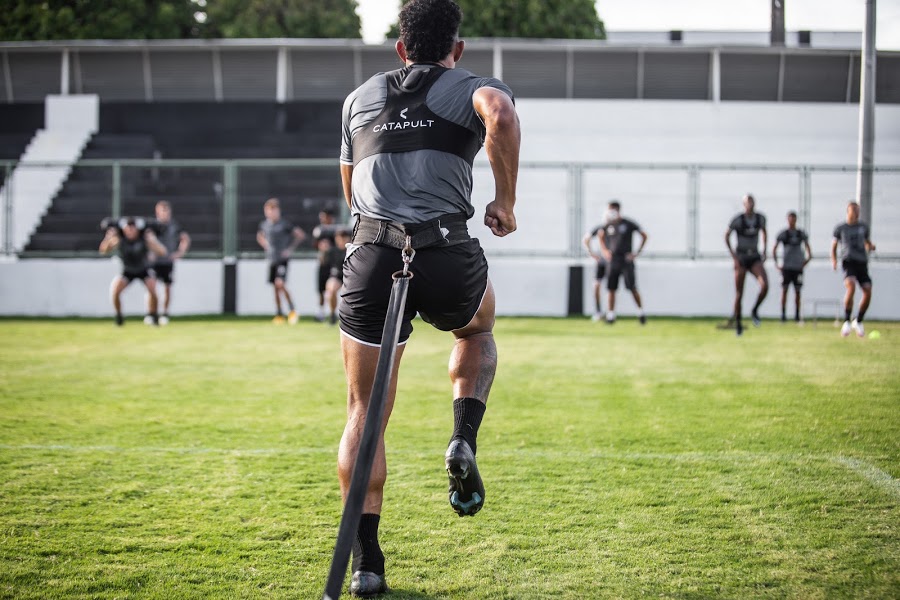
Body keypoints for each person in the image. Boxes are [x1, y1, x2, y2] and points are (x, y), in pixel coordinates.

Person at [337, 0, 520, 595]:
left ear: (399, 47)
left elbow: (350, 193)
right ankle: (463, 434)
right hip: (443, 252)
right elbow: (500, 115)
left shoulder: (359, 98)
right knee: (477, 328)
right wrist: (505, 202)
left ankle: (367, 564)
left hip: (372, 254)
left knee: (366, 416)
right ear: (457, 49)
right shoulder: (472, 85)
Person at [99, 217, 168, 326]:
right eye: (128, 228)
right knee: (115, 290)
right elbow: (103, 251)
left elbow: (162, 252)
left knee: (152, 288)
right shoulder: (119, 239)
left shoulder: (144, 239)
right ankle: (119, 317)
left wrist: (152, 240)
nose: (130, 231)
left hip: (143, 269)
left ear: (136, 229)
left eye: (133, 228)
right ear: (124, 229)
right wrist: (108, 238)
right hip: (128, 270)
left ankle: (153, 315)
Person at [256, 198, 306, 324]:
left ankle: (293, 310)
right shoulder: (265, 225)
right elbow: (260, 236)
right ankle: (279, 314)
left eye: (274, 210)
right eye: (268, 211)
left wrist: (289, 249)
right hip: (271, 259)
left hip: (282, 260)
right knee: (275, 287)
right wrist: (266, 245)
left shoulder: (284, 224)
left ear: (278, 211)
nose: (271, 213)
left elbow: (300, 235)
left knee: (280, 283)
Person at [598, 201, 648, 325]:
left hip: (626, 261)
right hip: (613, 261)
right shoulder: (608, 225)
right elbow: (600, 236)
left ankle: (641, 313)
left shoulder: (628, 223)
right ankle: (611, 315)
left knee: (632, 287)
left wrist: (636, 253)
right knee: (611, 288)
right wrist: (604, 251)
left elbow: (644, 235)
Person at [831, 201, 876, 338]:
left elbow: (867, 243)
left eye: (858, 210)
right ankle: (846, 321)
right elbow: (833, 247)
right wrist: (834, 260)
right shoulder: (841, 228)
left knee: (867, 291)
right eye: (853, 210)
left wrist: (871, 247)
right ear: (848, 211)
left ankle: (859, 320)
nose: (856, 213)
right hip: (848, 262)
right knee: (851, 287)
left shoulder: (863, 227)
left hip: (862, 262)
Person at [725, 194, 768, 336]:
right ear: (743, 204)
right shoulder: (738, 220)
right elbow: (726, 235)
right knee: (739, 293)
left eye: (751, 202)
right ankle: (738, 324)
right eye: (747, 202)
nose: (749, 204)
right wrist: (733, 255)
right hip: (741, 258)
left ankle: (755, 310)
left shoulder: (760, 218)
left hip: (754, 257)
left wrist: (765, 250)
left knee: (764, 285)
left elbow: (764, 232)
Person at [148, 200, 191, 326]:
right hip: (154, 262)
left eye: (167, 211)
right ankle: (151, 313)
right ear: (157, 212)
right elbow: (146, 240)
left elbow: (185, 238)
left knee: (167, 288)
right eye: (162, 211)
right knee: (152, 288)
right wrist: (149, 253)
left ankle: (165, 314)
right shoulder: (152, 226)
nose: (165, 214)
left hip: (167, 262)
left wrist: (179, 253)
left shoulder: (174, 225)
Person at [772, 210, 811, 323]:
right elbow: (774, 248)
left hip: (797, 268)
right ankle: (783, 315)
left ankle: (797, 316)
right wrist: (777, 263)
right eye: (790, 219)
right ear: (787, 220)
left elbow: (808, 249)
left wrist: (806, 261)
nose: (792, 221)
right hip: (786, 268)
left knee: (797, 291)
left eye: (794, 219)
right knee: (784, 290)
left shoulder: (800, 234)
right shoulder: (783, 234)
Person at [313, 208, 338, 322]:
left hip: (332, 264)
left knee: (331, 289)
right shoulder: (319, 230)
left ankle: (332, 313)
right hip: (322, 263)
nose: (322, 219)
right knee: (321, 290)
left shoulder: (336, 231)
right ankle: (321, 313)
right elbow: (315, 244)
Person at [322, 227, 351, 325]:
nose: (341, 240)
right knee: (331, 288)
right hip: (337, 277)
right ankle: (332, 315)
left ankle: (349, 317)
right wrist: (323, 252)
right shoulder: (332, 251)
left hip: (350, 277)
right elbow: (323, 263)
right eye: (339, 238)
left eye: (344, 238)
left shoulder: (350, 251)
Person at [583, 224, 608, 321]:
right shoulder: (600, 228)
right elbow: (586, 239)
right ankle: (598, 311)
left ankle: (609, 313)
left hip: (614, 262)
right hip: (602, 261)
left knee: (611, 288)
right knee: (596, 285)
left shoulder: (620, 226)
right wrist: (591, 253)